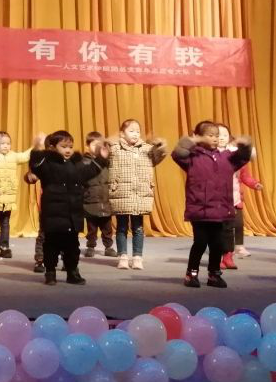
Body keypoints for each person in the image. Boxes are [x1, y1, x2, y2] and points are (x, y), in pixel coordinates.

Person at [173, 121, 252, 288]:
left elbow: (244, 157)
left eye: (217, 135)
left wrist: (245, 145)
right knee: (200, 243)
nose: (215, 138)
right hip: (200, 210)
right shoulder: (192, 157)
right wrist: (193, 140)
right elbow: (178, 154)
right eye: (210, 135)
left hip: (220, 210)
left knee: (218, 245)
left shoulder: (226, 157)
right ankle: (191, 274)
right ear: (199, 136)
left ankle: (214, 274)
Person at [29, 130, 108, 286]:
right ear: (53, 147)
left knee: (72, 246)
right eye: (64, 146)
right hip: (53, 215)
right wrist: (37, 148)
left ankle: (72, 272)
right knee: (51, 246)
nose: (68, 150)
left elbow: (89, 171)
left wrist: (102, 158)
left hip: (73, 214)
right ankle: (50, 272)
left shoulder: (76, 164)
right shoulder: (48, 163)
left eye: (70, 147)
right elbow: (36, 165)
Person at [107, 119, 167, 270]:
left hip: (140, 194)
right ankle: (122, 256)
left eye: (138, 131)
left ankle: (137, 257)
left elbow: (159, 156)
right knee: (121, 227)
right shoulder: (115, 149)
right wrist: (110, 141)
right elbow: (103, 154)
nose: (135, 134)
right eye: (131, 131)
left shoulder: (147, 149)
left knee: (138, 227)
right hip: (121, 193)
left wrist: (160, 146)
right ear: (122, 133)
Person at [0, 132, 40, 259]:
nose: (5, 146)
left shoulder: (13, 156)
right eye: (2, 143)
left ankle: (4, 247)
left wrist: (35, 146)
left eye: (8, 143)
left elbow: (25, 156)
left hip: (8, 197)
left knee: (5, 223)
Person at [216, 124, 262, 268]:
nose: (221, 138)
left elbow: (244, 174)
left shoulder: (235, 154)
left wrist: (255, 184)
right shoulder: (209, 154)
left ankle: (230, 254)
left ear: (229, 137)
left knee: (233, 226)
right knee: (218, 229)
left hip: (234, 197)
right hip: (215, 199)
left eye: (225, 135)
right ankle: (218, 256)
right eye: (218, 135)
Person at [82, 132, 117, 258]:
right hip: (90, 200)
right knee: (92, 228)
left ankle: (109, 247)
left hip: (105, 200)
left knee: (107, 228)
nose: (97, 147)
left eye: (99, 144)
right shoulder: (84, 162)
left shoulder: (107, 161)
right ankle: (91, 246)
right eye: (94, 144)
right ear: (87, 146)